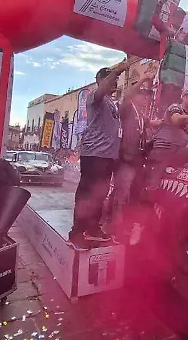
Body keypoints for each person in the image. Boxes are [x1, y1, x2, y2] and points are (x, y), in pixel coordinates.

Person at [70, 62, 128, 246]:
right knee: (87, 195)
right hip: (94, 155)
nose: (115, 82)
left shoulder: (112, 103)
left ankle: (92, 227)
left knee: (99, 195)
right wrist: (117, 69)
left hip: (107, 157)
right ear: (99, 81)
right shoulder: (95, 98)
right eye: (111, 78)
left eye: (116, 79)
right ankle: (77, 231)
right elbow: (102, 89)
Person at [111, 78, 153, 242]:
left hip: (137, 160)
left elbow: (154, 123)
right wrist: (142, 79)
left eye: (148, 94)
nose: (145, 97)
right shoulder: (127, 108)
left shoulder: (141, 115)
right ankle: (117, 231)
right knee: (121, 196)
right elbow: (127, 95)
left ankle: (126, 227)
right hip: (126, 160)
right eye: (142, 93)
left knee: (134, 197)